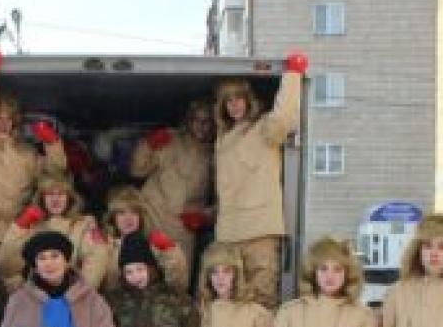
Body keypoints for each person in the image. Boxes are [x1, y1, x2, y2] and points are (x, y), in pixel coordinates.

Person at [213, 52, 307, 310]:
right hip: (228, 235)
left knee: (262, 302)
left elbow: (284, 118)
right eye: (227, 101)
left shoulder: (263, 129)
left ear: (249, 100)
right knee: (230, 303)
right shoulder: (222, 141)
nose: (234, 105)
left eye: (238, 99)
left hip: (260, 234)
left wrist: (292, 76)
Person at [0, 48, 67, 265]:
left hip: (17, 230)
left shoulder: (26, 154)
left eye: (8, 118)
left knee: (17, 284)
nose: (2, 123)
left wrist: (53, 143)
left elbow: (56, 173)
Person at [130, 99, 214, 271]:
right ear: (188, 121)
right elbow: (136, 170)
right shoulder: (171, 140)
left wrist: (206, 216)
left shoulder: (217, 152)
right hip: (152, 218)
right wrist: (148, 145)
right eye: (196, 120)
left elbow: (227, 197)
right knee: (142, 275)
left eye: (206, 121)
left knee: (178, 279)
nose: (201, 125)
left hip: (183, 227)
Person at [0, 171, 109, 292]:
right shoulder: (31, 224)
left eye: (61, 194)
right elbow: (6, 267)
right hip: (35, 294)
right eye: (49, 194)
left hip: (72, 293)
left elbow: (97, 259)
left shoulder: (84, 224)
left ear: (69, 198)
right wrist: (20, 227)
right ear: (42, 198)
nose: (55, 199)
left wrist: (78, 294)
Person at [101, 186, 189, 294]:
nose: (128, 218)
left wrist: (170, 250)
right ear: (112, 218)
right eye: (121, 213)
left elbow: (178, 286)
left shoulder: (154, 243)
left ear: (141, 216)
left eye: (134, 212)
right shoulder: (103, 245)